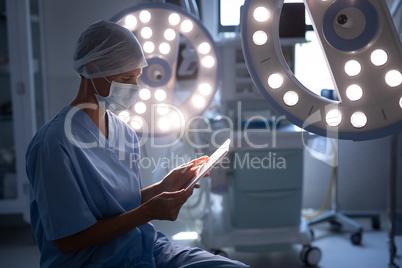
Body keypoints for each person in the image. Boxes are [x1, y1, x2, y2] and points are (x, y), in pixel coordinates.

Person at [25, 20, 249, 268]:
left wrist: (163, 186)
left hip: (144, 247)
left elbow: (121, 205)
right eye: (126, 77)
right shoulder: (54, 144)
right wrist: (148, 212)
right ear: (92, 67)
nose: (134, 87)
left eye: (137, 77)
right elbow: (67, 241)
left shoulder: (124, 132)